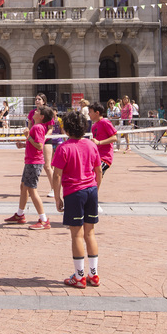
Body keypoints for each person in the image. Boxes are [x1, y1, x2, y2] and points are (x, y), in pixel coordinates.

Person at [51, 109, 103, 288]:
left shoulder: (63, 148)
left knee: (77, 235)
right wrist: (96, 188)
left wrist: (57, 197)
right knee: (90, 233)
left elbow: (57, 175)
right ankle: (93, 274)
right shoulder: (91, 145)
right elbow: (98, 171)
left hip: (74, 192)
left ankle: (80, 276)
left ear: (66, 129)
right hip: (91, 190)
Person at [4, 106, 54, 229]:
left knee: (32, 190)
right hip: (30, 161)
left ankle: (44, 220)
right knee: (24, 187)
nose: (34, 112)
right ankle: (20, 215)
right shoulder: (38, 127)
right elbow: (34, 145)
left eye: (37, 111)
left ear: (41, 117)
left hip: (34, 163)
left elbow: (39, 146)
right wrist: (23, 145)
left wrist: (28, 136)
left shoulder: (37, 127)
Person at [88, 102, 118, 180]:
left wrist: (99, 142)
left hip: (105, 157)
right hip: (97, 156)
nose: (88, 114)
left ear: (97, 113)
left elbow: (114, 138)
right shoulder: (94, 126)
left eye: (90, 112)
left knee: (96, 173)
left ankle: (95, 191)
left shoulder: (105, 122)